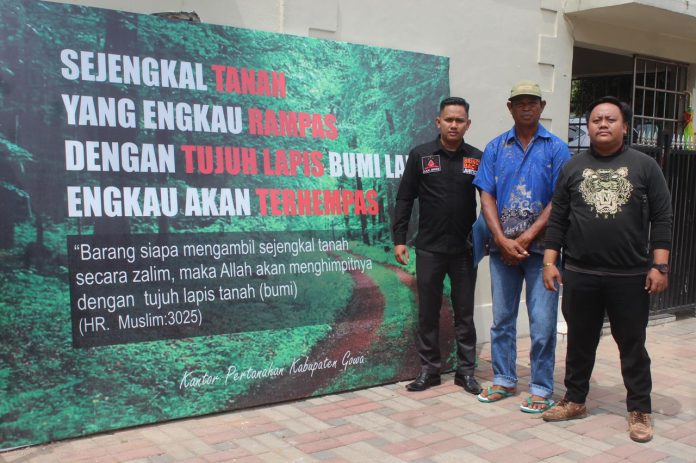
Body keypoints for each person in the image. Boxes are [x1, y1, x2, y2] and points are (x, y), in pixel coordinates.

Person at [540, 96, 672, 443]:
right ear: (588, 126)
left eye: (610, 119)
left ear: (624, 126)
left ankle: (639, 409)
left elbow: (661, 219)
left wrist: (659, 265)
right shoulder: (573, 167)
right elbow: (557, 219)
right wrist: (550, 261)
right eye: (596, 119)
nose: (602, 124)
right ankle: (575, 399)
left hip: (629, 275)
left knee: (632, 344)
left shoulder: (645, 166)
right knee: (580, 342)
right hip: (580, 272)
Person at [473, 80, 570, 412]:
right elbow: (486, 194)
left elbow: (561, 198)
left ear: (542, 106)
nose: (526, 107)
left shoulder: (557, 148)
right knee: (502, 319)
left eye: (532, 102)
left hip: (544, 252)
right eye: (519, 102)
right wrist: (501, 239)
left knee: (542, 323)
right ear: (509, 107)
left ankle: (542, 386)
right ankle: (503, 379)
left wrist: (528, 237)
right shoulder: (496, 148)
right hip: (502, 251)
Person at [393, 96, 483, 395]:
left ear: (467, 124)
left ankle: (466, 372)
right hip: (429, 248)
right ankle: (429, 371)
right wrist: (399, 238)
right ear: (438, 122)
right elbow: (405, 197)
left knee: (465, 313)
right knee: (428, 312)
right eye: (449, 119)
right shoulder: (421, 155)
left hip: (464, 250)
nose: (454, 125)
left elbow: (490, 200)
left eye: (460, 120)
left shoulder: (476, 158)